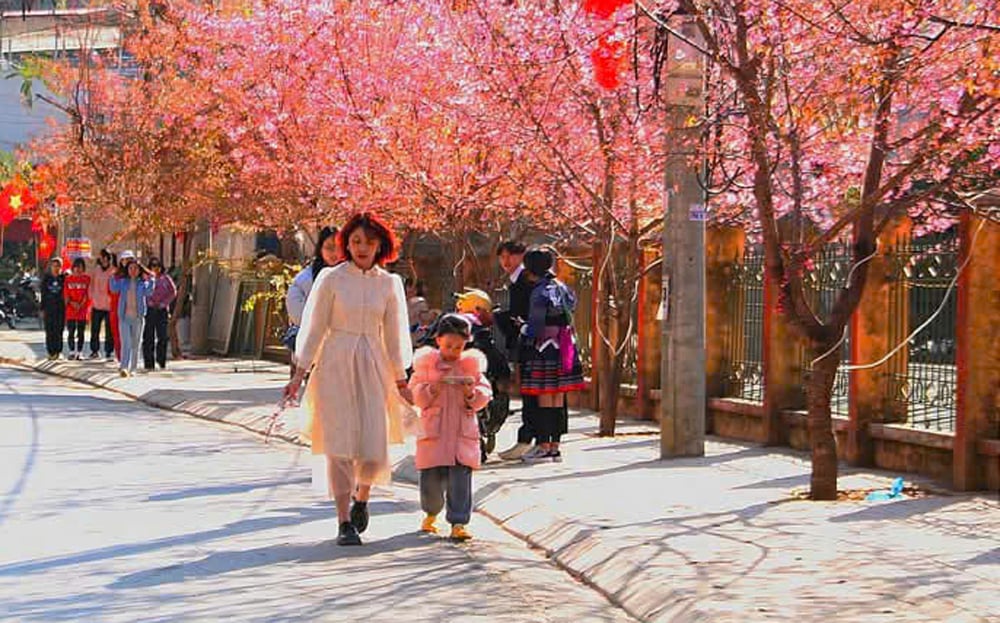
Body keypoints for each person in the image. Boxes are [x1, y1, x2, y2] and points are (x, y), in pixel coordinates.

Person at [283, 212, 412, 547]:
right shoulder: (331, 279)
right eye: (355, 241)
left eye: (369, 242)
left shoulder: (389, 283)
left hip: (374, 364)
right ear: (346, 244)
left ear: (381, 244)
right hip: (335, 363)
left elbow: (396, 335)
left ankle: (363, 497)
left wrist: (401, 379)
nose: (362, 247)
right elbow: (314, 330)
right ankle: (343, 521)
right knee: (339, 442)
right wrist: (299, 373)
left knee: (372, 441)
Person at [409, 314, 492, 541]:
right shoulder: (426, 366)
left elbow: (484, 395)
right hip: (433, 433)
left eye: (458, 346)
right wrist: (431, 389)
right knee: (431, 480)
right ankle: (430, 513)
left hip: (461, 435)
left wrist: (470, 392)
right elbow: (415, 394)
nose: (453, 351)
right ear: (438, 340)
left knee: (460, 480)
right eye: (448, 345)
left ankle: (458, 522)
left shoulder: (471, 367)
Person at [518, 247, 586, 463]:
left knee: (545, 397)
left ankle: (544, 446)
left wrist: (522, 328)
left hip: (543, 348)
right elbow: (571, 309)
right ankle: (555, 447)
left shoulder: (540, 291)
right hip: (564, 345)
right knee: (558, 397)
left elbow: (535, 326)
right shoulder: (563, 287)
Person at [493, 240, 537, 460]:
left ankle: (529, 439)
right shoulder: (518, 280)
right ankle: (532, 439)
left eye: (511, 256)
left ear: (522, 256)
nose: (506, 261)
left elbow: (522, 315)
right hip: (529, 341)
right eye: (502, 257)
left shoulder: (525, 281)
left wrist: (499, 316)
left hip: (532, 343)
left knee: (532, 393)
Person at [284, 226, 339, 370]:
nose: (335, 253)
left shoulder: (353, 276)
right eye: (329, 247)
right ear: (320, 248)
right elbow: (297, 312)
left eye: (339, 248)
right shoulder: (306, 278)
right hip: (312, 345)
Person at [109, 254, 154, 377]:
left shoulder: (142, 283)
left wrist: (150, 279)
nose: (133, 271)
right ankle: (124, 367)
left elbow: (149, 292)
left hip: (138, 318)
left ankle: (133, 368)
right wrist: (113, 276)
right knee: (126, 343)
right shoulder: (123, 282)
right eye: (130, 268)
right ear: (127, 270)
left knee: (136, 343)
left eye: (135, 268)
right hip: (124, 317)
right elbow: (113, 289)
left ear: (139, 270)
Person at [142, 257, 177, 371]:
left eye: (157, 266)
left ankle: (161, 360)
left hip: (162, 310)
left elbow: (173, 292)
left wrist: (164, 303)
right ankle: (149, 362)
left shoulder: (166, 278)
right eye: (152, 266)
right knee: (149, 337)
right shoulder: (147, 278)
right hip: (150, 310)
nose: (155, 268)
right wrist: (149, 302)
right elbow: (143, 292)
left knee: (162, 336)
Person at [88, 249, 115, 360]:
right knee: (95, 329)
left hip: (109, 305)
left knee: (109, 330)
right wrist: (92, 297)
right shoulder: (96, 270)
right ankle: (94, 350)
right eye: (102, 257)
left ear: (109, 259)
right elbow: (91, 285)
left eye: (106, 258)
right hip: (97, 304)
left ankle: (109, 351)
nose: (104, 260)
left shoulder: (113, 271)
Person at [64, 257, 92, 361]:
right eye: (76, 267)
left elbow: (88, 293)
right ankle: (71, 351)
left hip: (82, 309)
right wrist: (72, 303)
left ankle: (79, 352)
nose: (78, 269)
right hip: (71, 309)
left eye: (80, 267)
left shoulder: (87, 279)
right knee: (71, 331)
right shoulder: (68, 279)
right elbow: (66, 294)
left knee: (81, 332)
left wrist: (81, 304)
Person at [40, 257, 66, 360]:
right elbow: (43, 293)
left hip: (60, 308)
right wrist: (42, 308)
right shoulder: (46, 279)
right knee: (49, 330)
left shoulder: (63, 278)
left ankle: (58, 351)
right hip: (49, 308)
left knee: (59, 330)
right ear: (51, 267)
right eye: (54, 266)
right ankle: (51, 352)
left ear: (61, 267)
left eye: (58, 266)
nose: (56, 268)